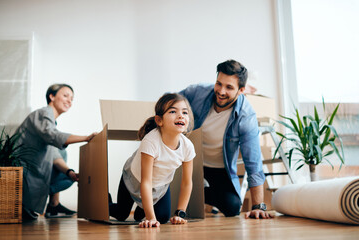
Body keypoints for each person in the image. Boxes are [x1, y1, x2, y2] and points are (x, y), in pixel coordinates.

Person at [179, 59, 272, 219]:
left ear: (241, 90)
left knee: (233, 207)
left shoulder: (246, 116)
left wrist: (258, 206)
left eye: (229, 87)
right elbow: (168, 101)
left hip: (218, 167)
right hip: (189, 160)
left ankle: (194, 192)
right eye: (218, 84)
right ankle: (181, 193)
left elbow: (253, 163)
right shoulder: (198, 92)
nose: (221, 91)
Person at [109, 93, 196, 228]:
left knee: (162, 217)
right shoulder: (151, 141)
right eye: (173, 111)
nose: (181, 116)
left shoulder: (188, 146)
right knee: (122, 214)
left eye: (185, 112)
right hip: (134, 179)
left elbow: (186, 183)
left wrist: (180, 213)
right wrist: (150, 218)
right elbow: (146, 181)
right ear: (159, 120)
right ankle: (106, 201)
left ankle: (141, 211)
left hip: (160, 185)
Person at [15, 83, 97, 220]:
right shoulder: (43, 113)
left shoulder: (50, 120)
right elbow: (53, 135)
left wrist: (69, 173)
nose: (69, 101)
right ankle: (29, 203)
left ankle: (53, 205)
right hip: (24, 171)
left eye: (72, 98)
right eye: (65, 96)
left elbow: (54, 153)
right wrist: (86, 138)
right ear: (51, 96)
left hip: (36, 169)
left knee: (65, 169)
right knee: (60, 147)